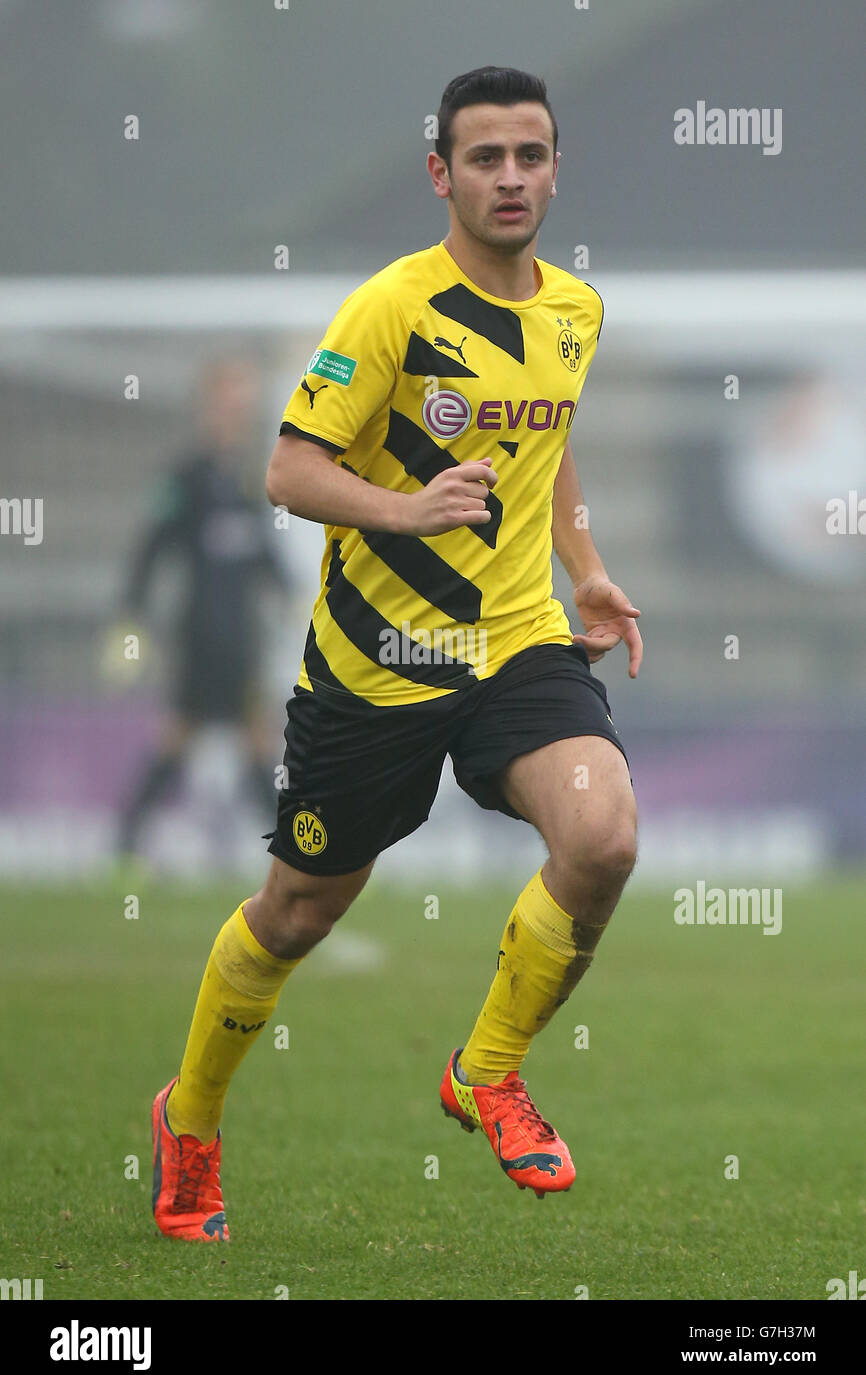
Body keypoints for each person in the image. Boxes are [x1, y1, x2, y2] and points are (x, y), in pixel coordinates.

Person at [151, 66, 642, 1243]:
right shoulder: (391, 309)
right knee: (298, 912)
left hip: (516, 642)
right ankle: (192, 1118)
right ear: (441, 174)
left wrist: (583, 567)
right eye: (485, 158)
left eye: (529, 155)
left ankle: (488, 1066)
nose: (510, 177)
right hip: (379, 663)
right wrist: (406, 507)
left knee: (604, 835)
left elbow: (547, 442)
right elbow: (288, 471)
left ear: (554, 166)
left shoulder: (574, 310)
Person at [116, 357, 288, 860]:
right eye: (228, 400)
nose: (236, 411)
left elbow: (263, 555)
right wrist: (132, 614)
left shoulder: (251, 480)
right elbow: (151, 547)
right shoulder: (186, 478)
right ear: (207, 407)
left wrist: (292, 588)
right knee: (179, 737)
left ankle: (289, 859)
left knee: (256, 739)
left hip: (242, 634)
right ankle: (124, 846)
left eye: (243, 401)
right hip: (199, 633)